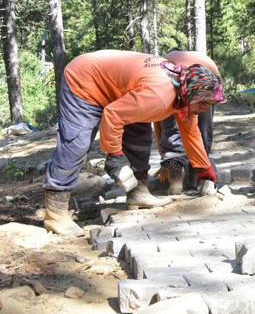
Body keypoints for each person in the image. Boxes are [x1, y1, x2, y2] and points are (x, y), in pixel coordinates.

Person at [42, 50, 224, 236]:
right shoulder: (159, 97)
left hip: (125, 87)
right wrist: (114, 155)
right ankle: (56, 212)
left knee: (139, 135)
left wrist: (203, 166)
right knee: (76, 143)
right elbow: (113, 114)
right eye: (203, 104)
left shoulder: (182, 91)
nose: (204, 110)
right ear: (191, 94)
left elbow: (191, 132)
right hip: (85, 80)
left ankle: (138, 192)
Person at [151, 49, 220, 195]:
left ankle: (175, 174)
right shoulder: (197, 58)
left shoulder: (165, 61)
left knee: (170, 127)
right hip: (209, 79)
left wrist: (165, 156)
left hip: (200, 78)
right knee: (203, 129)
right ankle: (195, 174)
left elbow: (159, 122)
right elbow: (197, 132)